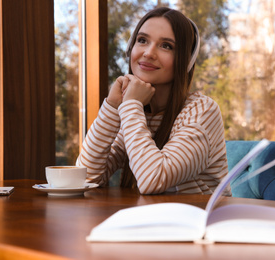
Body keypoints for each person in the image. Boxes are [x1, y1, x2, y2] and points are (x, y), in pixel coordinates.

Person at [76, 7, 229, 195]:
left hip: (197, 222)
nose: (148, 53)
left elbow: (154, 179)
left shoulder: (202, 111)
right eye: (142, 40)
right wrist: (111, 106)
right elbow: (84, 178)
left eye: (166, 46)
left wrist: (131, 105)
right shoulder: (135, 112)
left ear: (186, 61)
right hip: (146, 220)